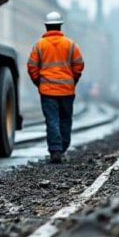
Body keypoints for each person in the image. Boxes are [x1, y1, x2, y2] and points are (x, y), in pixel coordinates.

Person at [27, 11, 85, 164]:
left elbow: (32, 67)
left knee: (52, 120)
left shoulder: (39, 45)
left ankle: (55, 150)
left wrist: (38, 83)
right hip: (67, 90)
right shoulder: (70, 44)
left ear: (46, 27)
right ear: (60, 26)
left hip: (48, 91)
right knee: (65, 119)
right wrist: (73, 80)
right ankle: (63, 147)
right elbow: (79, 65)